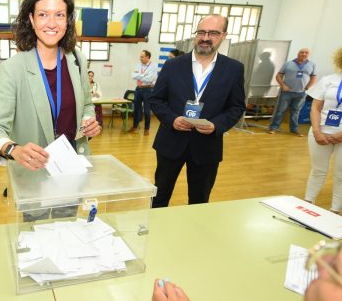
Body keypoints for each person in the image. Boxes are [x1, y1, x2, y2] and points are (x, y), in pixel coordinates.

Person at [0, 0, 101, 171]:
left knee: (72, 203)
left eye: (59, 15)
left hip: (74, 163)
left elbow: (87, 104)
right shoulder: (13, 68)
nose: (52, 23)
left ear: (68, 19)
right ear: (31, 19)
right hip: (34, 169)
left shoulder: (77, 59)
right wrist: (14, 149)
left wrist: (88, 122)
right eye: (43, 14)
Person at [148, 14, 245, 208]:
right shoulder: (173, 65)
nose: (205, 37)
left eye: (213, 33)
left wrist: (217, 125)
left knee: (200, 201)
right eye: (201, 32)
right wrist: (172, 119)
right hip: (171, 142)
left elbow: (237, 106)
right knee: (160, 196)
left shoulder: (233, 69)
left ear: (224, 35)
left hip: (207, 146)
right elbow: (156, 99)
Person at [304, 48, 342, 214]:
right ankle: (308, 203)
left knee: (341, 175)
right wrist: (317, 132)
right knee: (318, 170)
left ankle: (334, 210)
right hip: (320, 133)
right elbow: (315, 107)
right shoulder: (329, 80)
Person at [269, 48, 317, 136]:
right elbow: (279, 75)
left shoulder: (312, 65)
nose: (304, 54)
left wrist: (308, 87)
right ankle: (273, 128)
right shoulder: (288, 63)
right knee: (280, 111)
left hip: (301, 93)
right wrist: (283, 85)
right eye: (302, 52)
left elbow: (313, 77)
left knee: (296, 112)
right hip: (287, 92)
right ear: (298, 53)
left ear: (308, 54)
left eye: (306, 53)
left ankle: (294, 130)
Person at [129, 50, 159, 135]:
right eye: (140, 56)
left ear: (148, 57)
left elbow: (150, 79)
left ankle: (147, 129)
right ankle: (135, 127)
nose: (140, 58)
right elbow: (133, 76)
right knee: (136, 109)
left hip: (148, 90)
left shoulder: (153, 66)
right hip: (138, 89)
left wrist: (139, 76)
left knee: (146, 110)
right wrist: (144, 75)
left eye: (142, 57)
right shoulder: (138, 64)